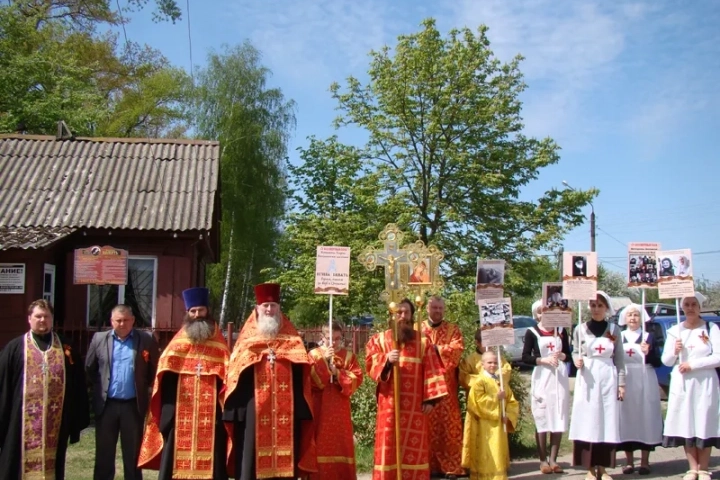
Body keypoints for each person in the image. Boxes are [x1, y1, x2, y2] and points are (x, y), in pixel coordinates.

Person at [223, 283, 317, 480]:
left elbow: (302, 368)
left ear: (278, 309)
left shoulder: (291, 338)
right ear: (257, 309)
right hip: (253, 407)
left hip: (286, 409)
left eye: (273, 305)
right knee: (251, 455)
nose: (269, 309)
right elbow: (234, 372)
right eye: (265, 305)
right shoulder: (246, 340)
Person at [138, 287, 230, 480]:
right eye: (193, 311)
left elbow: (227, 381)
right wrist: (170, 414)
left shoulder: (219, 345)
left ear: (208, 311)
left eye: (201, 310)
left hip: (211, 418)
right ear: (187, 313)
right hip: (181, 416)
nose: (197, 315)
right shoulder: (177, 344)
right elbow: (165, 379)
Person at [0, 299, 89, 479]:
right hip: (20, 423)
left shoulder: (65, 347)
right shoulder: (15, 348)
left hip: (54, 424)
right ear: (29, 319)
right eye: (38, 316)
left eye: (46, 316)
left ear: (52, 319)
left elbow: (78, 384)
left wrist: (75, 419)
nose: (42, 320)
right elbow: (3, 386)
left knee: (54, 466)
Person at [365, 298, 448, 479]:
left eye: (407, 313)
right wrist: (386, 360)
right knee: (389, 446)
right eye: (399, 312)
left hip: (415, 408)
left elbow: (432, 369)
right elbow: (370, 365)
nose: (403, 316)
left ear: (412, 316)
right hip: (389, 406)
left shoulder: (423, 341)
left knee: (414, 450)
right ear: (392, 315)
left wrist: (430, 400)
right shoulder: (379, 340)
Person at [86, 304, 160, 480]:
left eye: (126, 320)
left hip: (132, 407)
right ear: (111, 321)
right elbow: (89, 368)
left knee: (133, 455)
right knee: (104, 455)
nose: (122, 324)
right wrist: (100, 388)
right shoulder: (99, 339)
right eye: (118, 320)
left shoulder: (145, 340)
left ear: (133, 320)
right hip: (107, 406)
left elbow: (154, 370)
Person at [661, 293, 720, 480]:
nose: (690, 307)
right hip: (683, 384)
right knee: (687, 422)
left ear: (700, 307)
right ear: (682, 307)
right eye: (686, 304)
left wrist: (693, 365)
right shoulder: (674, 331)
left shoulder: (711, 329)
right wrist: (674, 350)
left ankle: (703, 468)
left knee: (704, 421)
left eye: (694, 304)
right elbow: (667, 361)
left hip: (705, 382)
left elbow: (718, 357)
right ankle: (692, 468)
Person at [569, 291, 626, 480]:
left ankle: (603, 467)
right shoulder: (581, 329)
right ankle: (590, 468)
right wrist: (576, 359)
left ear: (606, 308)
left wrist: (621, 383)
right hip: (588, 377)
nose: (596, 309)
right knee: (588, 419)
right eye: (593, 305)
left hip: (608, 376)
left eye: (600, 306)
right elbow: (576, 350)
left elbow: (619, 358)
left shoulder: (614, 330)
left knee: (606, 420)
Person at [308, 321, 363, 479]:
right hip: (320, 407)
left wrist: (338, 374)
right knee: (319, 443)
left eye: (338, 339)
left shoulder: (349, 356)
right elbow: (310, 380)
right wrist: (324, 361)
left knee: (341, 445)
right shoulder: (314, 355)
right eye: (330, 338)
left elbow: (357, 378)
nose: (334, 342)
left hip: (340, 408)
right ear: (322, 337)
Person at [522, 300, 571, 474]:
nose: (546, 314)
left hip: (559, 377)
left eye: (549, 311)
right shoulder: (532, 332)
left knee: (558, 415)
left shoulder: (561, 331)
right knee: (542, 416)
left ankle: (554, 459)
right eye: (542, 312)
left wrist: (563, 355)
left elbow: (569, 355)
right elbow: (525, 357)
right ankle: (542, 460)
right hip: (542, 376)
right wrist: (542, 360)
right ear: (537, 314)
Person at [616, 304, 663, 475]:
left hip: (645, 378)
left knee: (645, 417)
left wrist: (648, 352)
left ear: (641, 317)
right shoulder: (619, 336)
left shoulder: (648, 336)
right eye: (630, 315)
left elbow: (658, 361)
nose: (633, 318)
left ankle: (644, 461)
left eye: (636, 315)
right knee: (627, 417)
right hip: (626, 378)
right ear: (625, 318)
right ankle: (629, 462)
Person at [421, 296, 465, 479]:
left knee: (449, 428)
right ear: (427, 309)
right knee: (426, 426)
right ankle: (426, 466)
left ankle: (451, 466)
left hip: (447, 388)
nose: (437, 311)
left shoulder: (453, 329)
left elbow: (456, 350)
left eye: (440, 308)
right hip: (424, 386)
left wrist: (433, 350)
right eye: (434, 308)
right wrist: (437, 349)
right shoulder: (418, 327)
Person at [461, 350, 519, 480]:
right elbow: (476, 402)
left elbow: (511, 400)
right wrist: (495, 397)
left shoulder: (501, 381)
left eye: (495, 362)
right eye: (489, 362)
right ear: (482, 364)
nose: (492, 365)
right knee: (486, 453)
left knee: (498, 452)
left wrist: (508, 415)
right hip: (483, 427)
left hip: (499, 425)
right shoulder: (479, 381)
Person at [459, 328, 511, 396]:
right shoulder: (469, 360)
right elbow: (464, 378)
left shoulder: (498, 358)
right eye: (486, 341)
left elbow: (506, 370)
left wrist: (496, 376)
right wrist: (485, 380)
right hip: (478, 399)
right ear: (477, 343)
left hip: (497, 397)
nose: (489, 345)